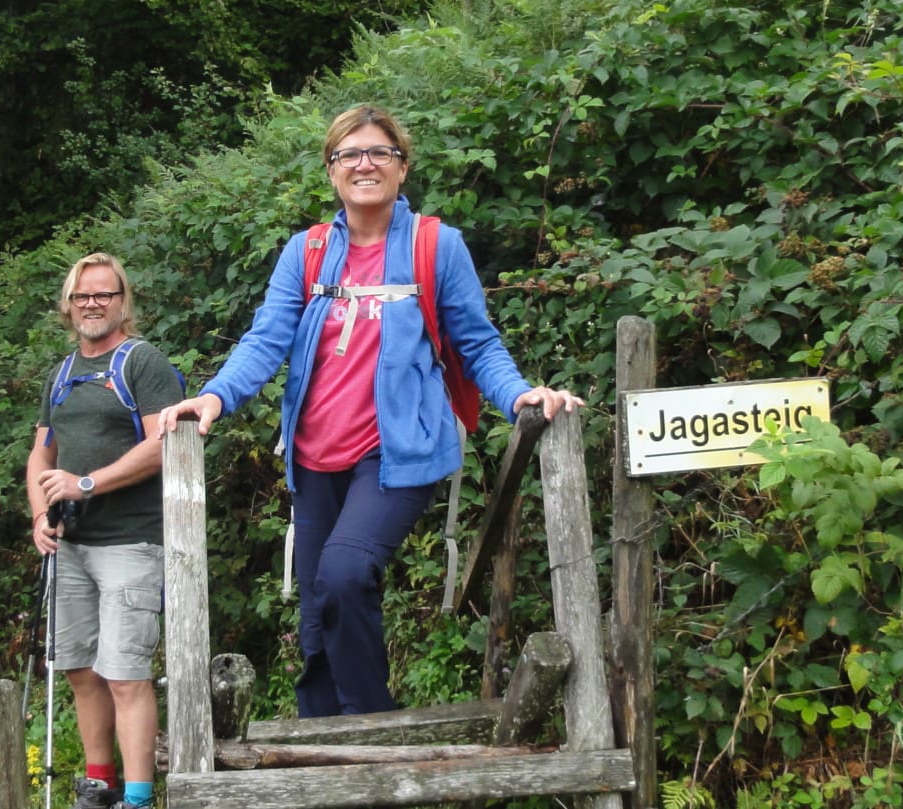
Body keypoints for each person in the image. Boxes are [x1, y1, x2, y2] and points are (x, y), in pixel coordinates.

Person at [159, 105, 584, 719]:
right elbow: (265, 339)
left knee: (344, 575)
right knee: (316, 614)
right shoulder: (305, 252)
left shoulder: (436, 246)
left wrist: (519, 393)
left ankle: (370, 729)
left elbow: (477, 342)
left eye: (379, 152)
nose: (364, 163)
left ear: (401, 167)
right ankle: (324, 743)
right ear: (332, 171)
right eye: (349, 154)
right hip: (312, 460)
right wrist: (213, 396)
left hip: (397, 454)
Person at [25, 253, 184, 809]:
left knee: (124, 673)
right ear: (67, 306)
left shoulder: (142, 362)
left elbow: (163, 445)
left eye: (103, 295)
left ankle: (138, 799)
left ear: (123, 302)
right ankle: (100, 787)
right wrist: (38, 513)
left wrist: (85, 484)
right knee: (79, 669)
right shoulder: (63, 371)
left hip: (130, 542)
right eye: (81, 296)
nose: (92, 304)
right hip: (71, 546)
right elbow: (41, 451)